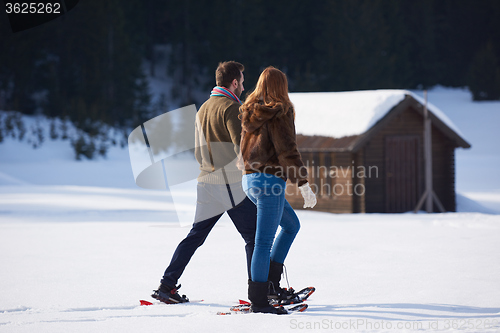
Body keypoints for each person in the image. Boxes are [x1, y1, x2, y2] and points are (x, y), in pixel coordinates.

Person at [152, 61, 257, 304]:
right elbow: (240, 146)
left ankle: (166, 286)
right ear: (233, 82)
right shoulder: (230, 107)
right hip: (228, 184)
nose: (243, 85)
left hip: (205, 181)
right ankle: (260, 292)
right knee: (254, 236)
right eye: (241, 80)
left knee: (195, 236)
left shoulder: (204, 108)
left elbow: (198, 152)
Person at [239, 66, 317, 314]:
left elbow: (242, 150)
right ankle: (260, 300)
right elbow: (287, 151)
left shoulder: (250, 112)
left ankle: (270, 285)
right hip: (269, 183)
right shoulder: (279, 112)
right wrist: (303, 183)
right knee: (263, 243)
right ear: (281, 87)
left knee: (291, 225)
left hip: (250, 181)